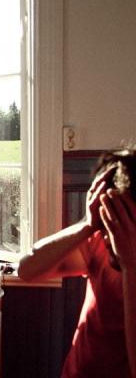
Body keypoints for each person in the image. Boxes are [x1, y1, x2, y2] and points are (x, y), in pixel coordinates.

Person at [18, 147, 136, 378]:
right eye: (108, 220)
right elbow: (27, 269)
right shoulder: (99, 240)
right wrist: (87, 224)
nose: (109, 235)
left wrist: (131, 266)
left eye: (123, 222)